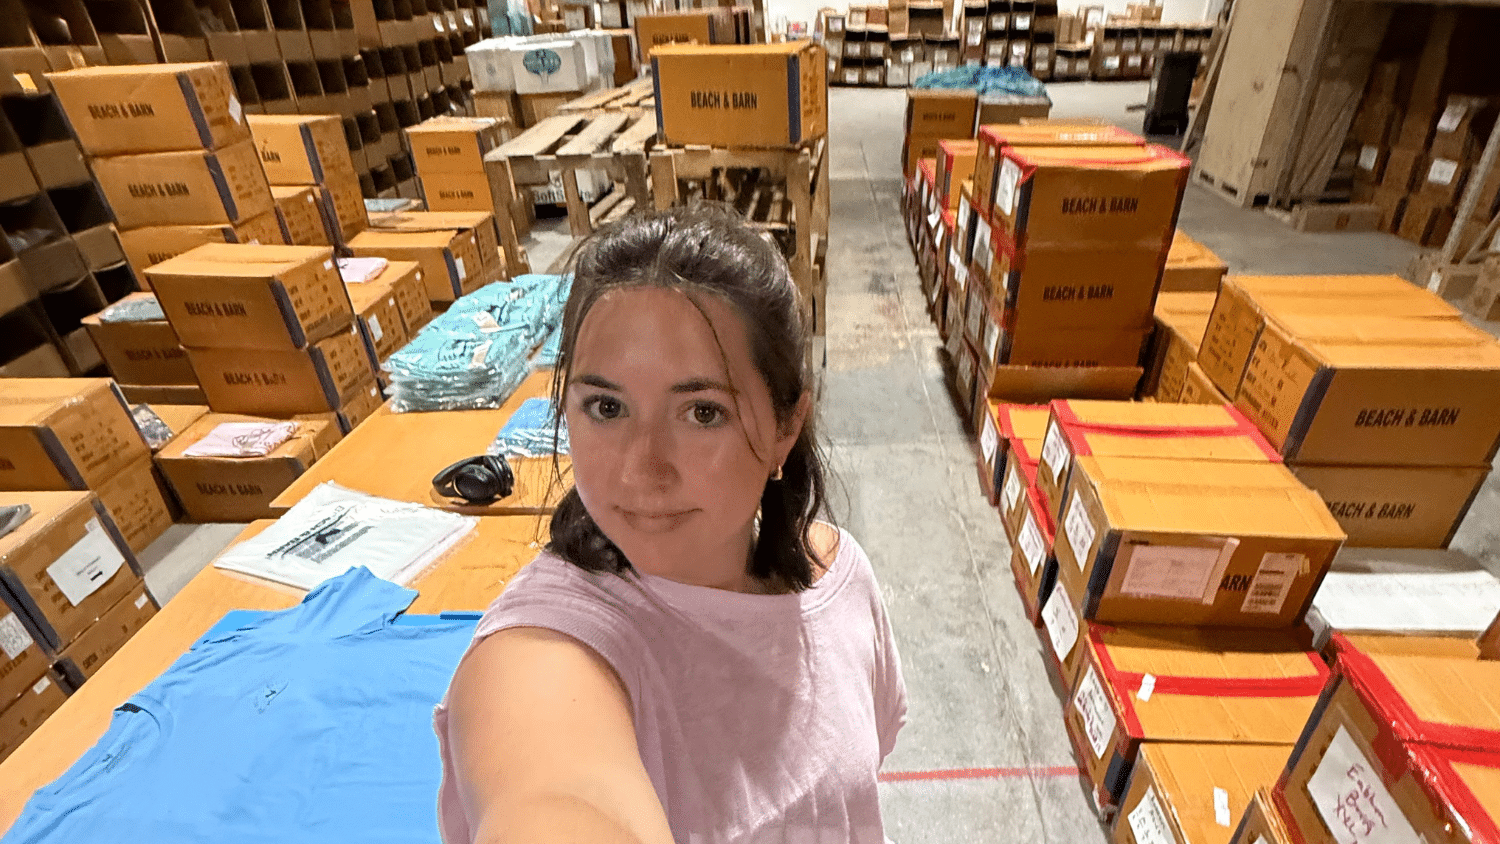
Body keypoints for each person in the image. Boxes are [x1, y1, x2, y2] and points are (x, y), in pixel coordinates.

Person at [433, 205, 907, 844]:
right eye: (607, 407)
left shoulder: (837, 581)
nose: (642, 469)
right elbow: (552, 799)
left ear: (786, 427)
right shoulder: (541, 659)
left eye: (702, 413)